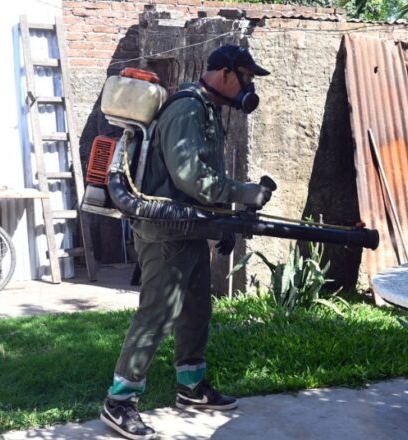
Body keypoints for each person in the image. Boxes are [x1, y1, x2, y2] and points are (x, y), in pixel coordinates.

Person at [101, 45, 273, 440]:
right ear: (227, 74)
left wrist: (225, 221)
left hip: (191, 229)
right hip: (166, 233)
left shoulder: (209, 109)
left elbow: (207, 176)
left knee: (196, 309)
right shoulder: (186, 109)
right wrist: (248, 193)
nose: (248, 86)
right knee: (157, 314)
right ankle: (119, 401)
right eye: (246, 77)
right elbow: (189, 177)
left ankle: (191, 387)